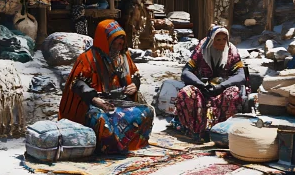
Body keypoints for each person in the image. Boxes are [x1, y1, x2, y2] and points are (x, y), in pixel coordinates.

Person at [59, 19, 153, 154]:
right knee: (101, 120)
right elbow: (77, 83)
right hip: (94, 104)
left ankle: (131, 145)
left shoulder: (124, 56)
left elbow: (135, 74)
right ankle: (109, 150)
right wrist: (94, 99)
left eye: (121, 44)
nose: (119, 47)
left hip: (119, 101)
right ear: (105, 42)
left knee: (147, 112)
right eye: (115, 44)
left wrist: (134, 85)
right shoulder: (87, 59)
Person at [172, 25, 247, 141]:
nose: (222, 43)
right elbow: (186, 72)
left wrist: (221, 86)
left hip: (221, 89)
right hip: (203, 89)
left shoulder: (232, 51)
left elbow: (241, 76)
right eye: (218, 40)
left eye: (224, 39)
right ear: (211, 40)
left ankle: (222, 131)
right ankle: (195, 131)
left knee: (233, 94)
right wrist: (200, 84)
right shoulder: (201, 50)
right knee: (185, 93)